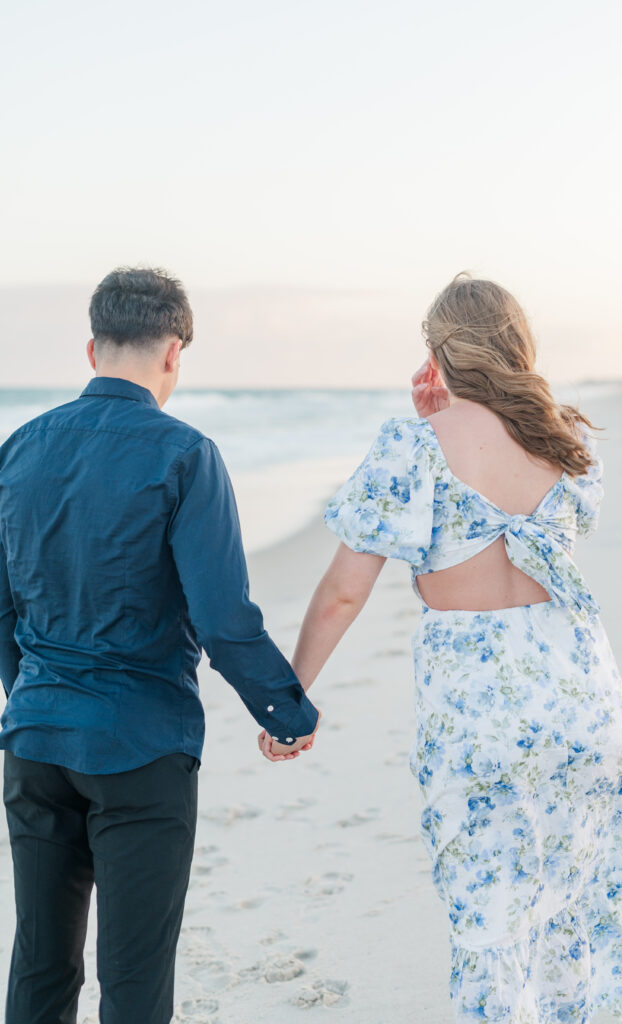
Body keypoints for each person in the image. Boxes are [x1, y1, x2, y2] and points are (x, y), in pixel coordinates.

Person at [259, 272, 622, 1021]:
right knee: (566, 915)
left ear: (437, 353)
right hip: (583, 701)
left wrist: (289, 694)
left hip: (481, 714)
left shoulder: (413, 447)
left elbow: (343, 592)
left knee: (490, 925)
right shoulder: (570, 441)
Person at [0, 266, 320, 1024]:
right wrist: (285, 713)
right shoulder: (184, 454)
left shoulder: (18, 449)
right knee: (135, 982)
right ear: (174, 351)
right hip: (141, 747)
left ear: (91, 348)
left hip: (36, 742)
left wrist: (32, 694)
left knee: (40, 964)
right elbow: (222, 617)